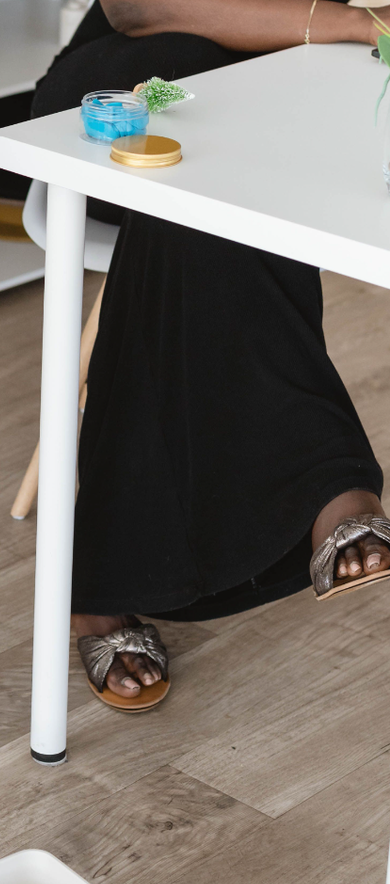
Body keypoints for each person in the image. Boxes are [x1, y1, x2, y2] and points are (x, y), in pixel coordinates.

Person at [30, 1, 390, 710]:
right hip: (125, 97)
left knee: (241, 172)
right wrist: (356, 24)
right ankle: (326, 484)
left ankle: (105, 577)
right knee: (219, 168)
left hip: (281, 99)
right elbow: (144, 8)